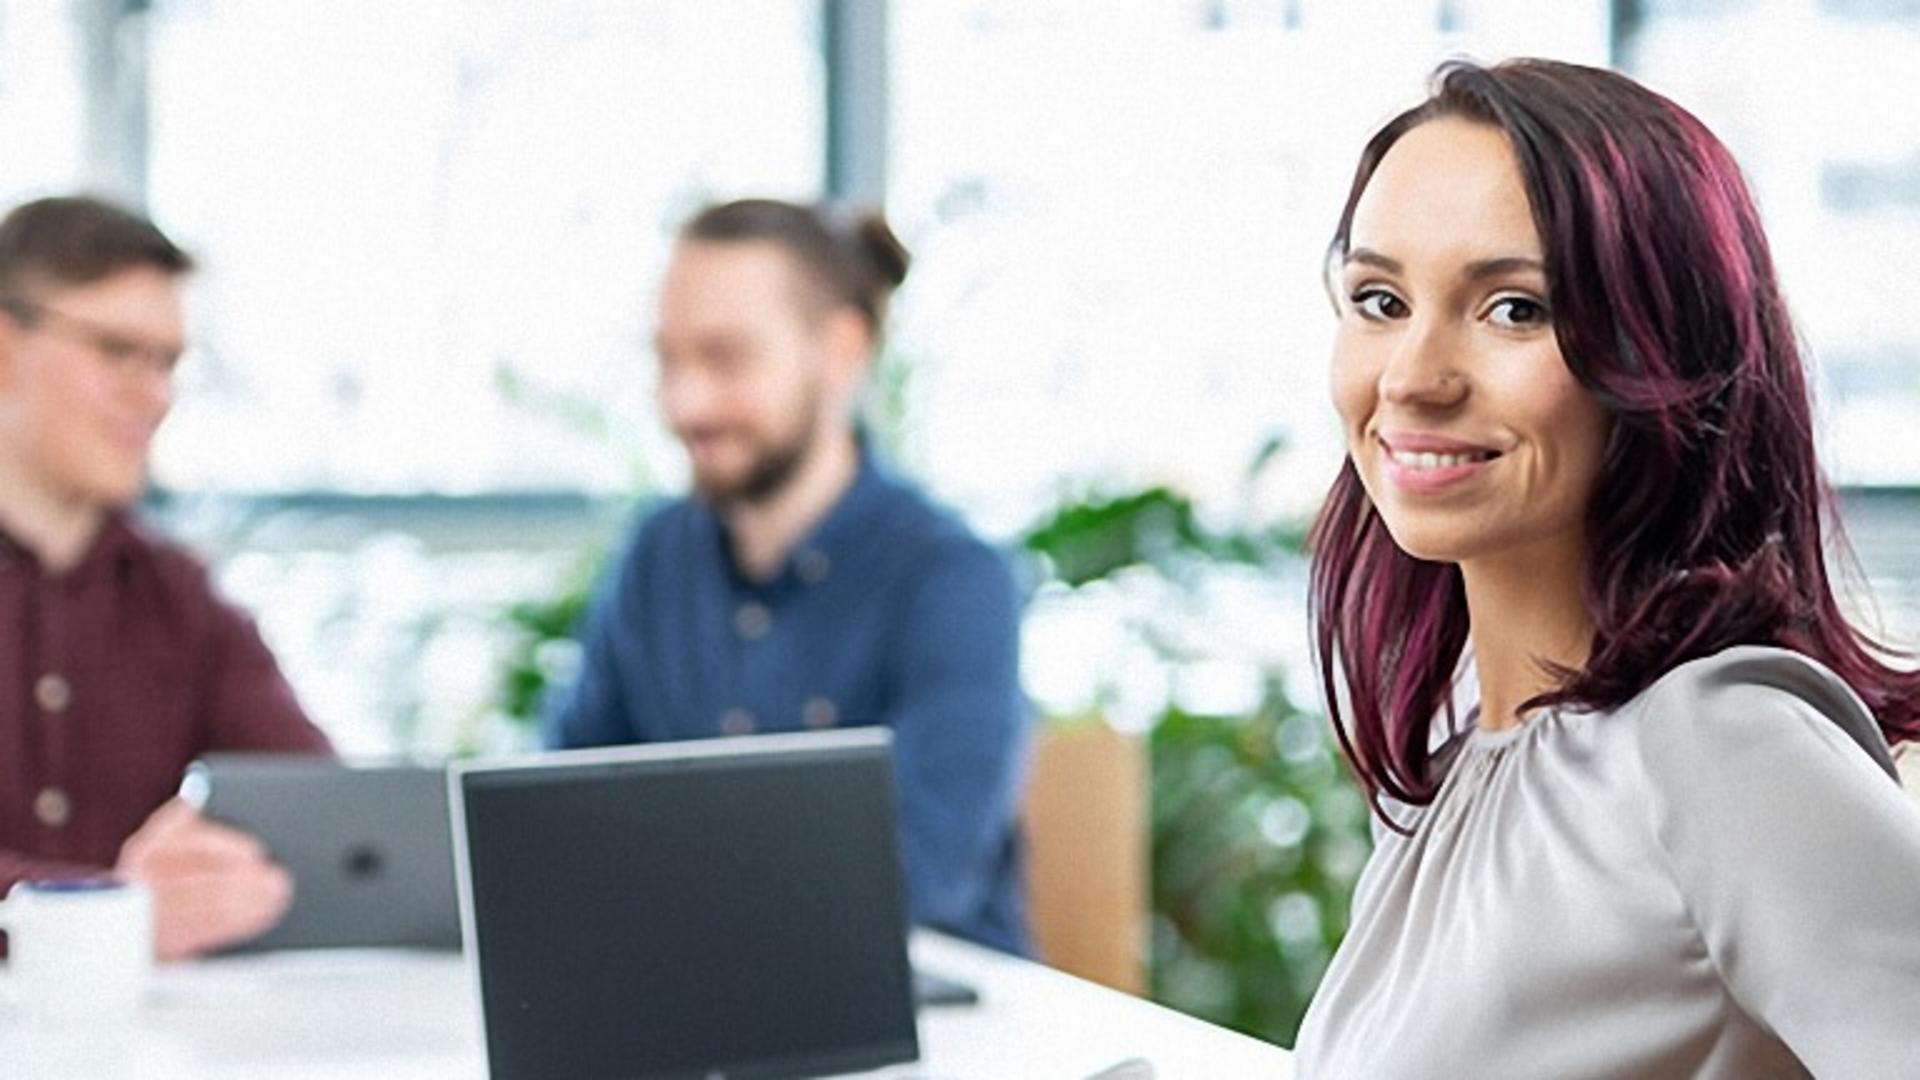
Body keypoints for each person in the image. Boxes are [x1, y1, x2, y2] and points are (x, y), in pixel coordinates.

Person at [1293, 60, 1920, 1076]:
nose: (1412, 377)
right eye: (1379, 299)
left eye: (1514, 309)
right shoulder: (1457, 765)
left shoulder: (1716, 740)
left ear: (1662, 347)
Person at [546, 199, 1031, 954]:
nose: (684, 402)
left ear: (839, 352)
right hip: (698, 1003)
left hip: (931, 1022)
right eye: (668, 359)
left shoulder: (949, 577)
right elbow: (556, 815)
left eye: (724, 358)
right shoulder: (656, 558)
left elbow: (927, 868)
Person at [0, 196, 330, 961]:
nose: (155, 395)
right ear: (7, 349)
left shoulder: (177, 598)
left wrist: (216, 881)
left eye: (169, 361)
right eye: (117, 351)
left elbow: (325, 816)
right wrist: (109, 912)